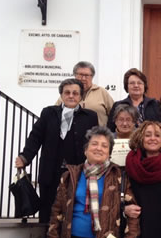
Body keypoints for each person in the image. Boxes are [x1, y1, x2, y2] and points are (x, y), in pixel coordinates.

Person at [15, 78, 98, 223]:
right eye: (67, 93)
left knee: (73, 208)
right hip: (51, 169)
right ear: (61, 95)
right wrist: (25, 157)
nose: (71, 96)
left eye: (75, 93)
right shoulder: (48, 113)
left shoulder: (90, 117)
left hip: (77, 171)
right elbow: (35, 137)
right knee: (49, 207)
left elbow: (94, 142)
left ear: (81, 96)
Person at [56, 61, 114, 126]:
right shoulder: (67, 94)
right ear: (75, 75)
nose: (83, 78)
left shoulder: (102, 92)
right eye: (80, 75)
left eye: (86, 75)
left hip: (98, 135)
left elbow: (114, 115)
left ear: (92, 77)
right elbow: (55, 115)